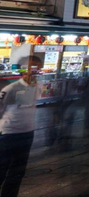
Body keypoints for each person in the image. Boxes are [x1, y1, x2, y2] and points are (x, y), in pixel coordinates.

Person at [0, 56, 43, 197]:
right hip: (8, 134)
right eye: (30, 68)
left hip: (27, 133)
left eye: (37, 69)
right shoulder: (11, 88)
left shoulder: (38, 86)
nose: (33, 72)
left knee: (18, 172)